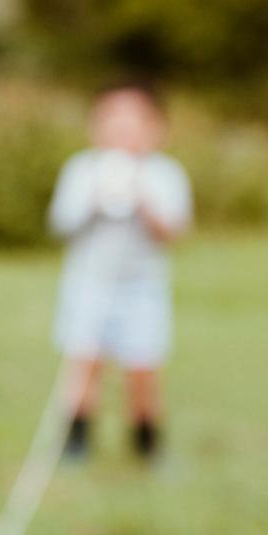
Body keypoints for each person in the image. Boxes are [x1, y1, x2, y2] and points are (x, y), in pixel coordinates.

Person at [46, 83, 193, 463]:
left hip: (142, 288)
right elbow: (61, 224)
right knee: (85, 361)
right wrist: (97, 195)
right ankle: (76, 442)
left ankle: (147, 444)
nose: (124, 129)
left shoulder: (165, 174)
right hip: (89, 283)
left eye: (135, 121)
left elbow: (173, 232)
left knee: (143, 367)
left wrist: (142, 197)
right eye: (114, 119)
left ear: (155, 129)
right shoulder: (82, 169)